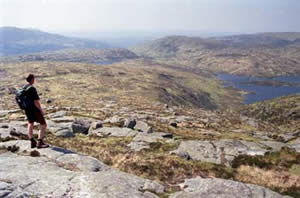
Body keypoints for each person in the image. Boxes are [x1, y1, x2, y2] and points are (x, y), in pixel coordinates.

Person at [24, 74, 49, 149]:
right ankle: (39, 142)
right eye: (34, 79)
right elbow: (36, 102)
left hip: (27, 109)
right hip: (34, 109)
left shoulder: (24, 87)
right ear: (32, 79)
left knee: (30, 123)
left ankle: (32, 141)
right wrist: (41, 110)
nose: (34, 80)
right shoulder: (32, 88)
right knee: (43, 124)